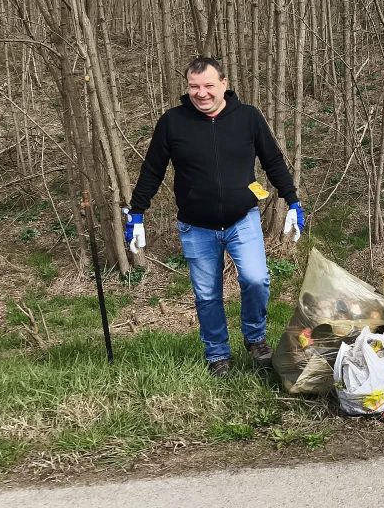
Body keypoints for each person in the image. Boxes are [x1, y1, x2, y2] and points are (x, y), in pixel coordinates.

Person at [123, 57, 305, 376]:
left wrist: (292, 200)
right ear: (187, 87)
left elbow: (273, 160)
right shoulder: (172, 122)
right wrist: (137, 212)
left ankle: (255, 338)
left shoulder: (248, 118)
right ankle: (218, 353)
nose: (201, 93)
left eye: (208, 85)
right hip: (196, 226)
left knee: (255, 278)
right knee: (207, 294)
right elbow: (152, 170)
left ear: (224, 83)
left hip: (242, 219)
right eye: (194, 86)